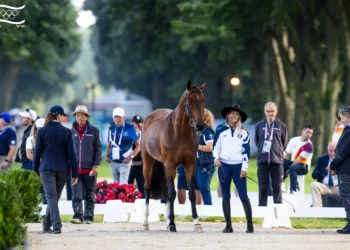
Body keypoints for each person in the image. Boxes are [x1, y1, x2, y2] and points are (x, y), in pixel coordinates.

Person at [33, 105, 78, 234]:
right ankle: (47, 226)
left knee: (52, 197)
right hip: (63, 169)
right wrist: (74, 173)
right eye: (63, 115)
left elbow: (37, 154)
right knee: (54, 197)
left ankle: (56, 225)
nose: (64, 118)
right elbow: (71, 155)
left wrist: (34, 170)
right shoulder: (67, 132)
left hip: (46, 169)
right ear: (58, 116)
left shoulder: (42, 131)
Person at [213, 104, 253, 233]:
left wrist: (244, 168)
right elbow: (215, 147)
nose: (234, 116)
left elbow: (246, 152)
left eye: (236, 114)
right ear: (227, 116)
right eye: (232, 113)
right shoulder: (220, 131)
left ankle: (250, 225)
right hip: (224, 166)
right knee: (225, 196)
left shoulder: (244, 133)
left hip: (238, 166)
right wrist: (216, 159)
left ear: (239, 117)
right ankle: (228, 225)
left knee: (243, 195)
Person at [70, 105, 102, 224]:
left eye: (82, 115)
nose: (79, 118)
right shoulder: (71, 132)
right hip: (75, 170)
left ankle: (88, 217)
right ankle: (78, 216)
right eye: (77, 115)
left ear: (86, 116)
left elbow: (98, 150)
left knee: (90, 194)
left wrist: (96, 165)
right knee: (76, 195)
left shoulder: (94, 131)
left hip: (90, 168)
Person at [255, 102, 288, 206]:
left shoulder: (281, 126)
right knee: (263, 187)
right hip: (263, 161)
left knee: (277, 187)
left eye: (272, 111)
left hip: (276, 161)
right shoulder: (259, 125)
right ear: (265, 112)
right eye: (268, 111)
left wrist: (276, 151)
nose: (270, 113)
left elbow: (284, 143)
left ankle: (278, 213)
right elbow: (257, 141)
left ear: (276, 112)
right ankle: (262, 212)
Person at [105, 107, 140, 184]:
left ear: (124, 117)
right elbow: (109, 144)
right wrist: (106, 156)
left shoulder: (130, 128)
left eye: (119, 117)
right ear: (113, 118)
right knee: (115, 187)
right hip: (113, 162)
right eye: (116, 117)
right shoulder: (111, 128)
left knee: (122, 186)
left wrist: (131, 157)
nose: (117, 119)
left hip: (125, 162)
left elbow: (138, 146)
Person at [330, 106, 350, 234]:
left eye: (343, 118)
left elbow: (342, 152)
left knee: (346, 196)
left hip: (346, 169)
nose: (341, 120)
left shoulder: (348, 131)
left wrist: (333, 165)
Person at [283, 125, 314, 194]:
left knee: (292, 168)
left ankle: (293, 190)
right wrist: (283, 167)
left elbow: (299, 160)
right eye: (307, 132)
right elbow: (287, 155)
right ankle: (281, 183)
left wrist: (288, 170)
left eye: (311, 133)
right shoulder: (293, 140)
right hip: (293, 163)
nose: (309, 134)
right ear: (302, 131)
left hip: (303, 166)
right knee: (283, 162)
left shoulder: (309, 145)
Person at [196, 108, 216, 205]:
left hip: (207, 163)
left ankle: (209, 209)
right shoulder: (200, 130)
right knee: (201, 187)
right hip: (201, 163)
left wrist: (196, 146)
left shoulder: (207, 131)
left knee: (204, 187)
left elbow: (210, 147)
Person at [311, 142, 339, 207]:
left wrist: (336, 172)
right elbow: (314, 175)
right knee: (314, 185)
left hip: (338, 187)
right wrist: (325, 170)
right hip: (325, 186)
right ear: (327, 150)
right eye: (330, 151)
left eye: (334, 151)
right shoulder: (321, 159)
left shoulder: (342, 160)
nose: (332, 153)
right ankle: (317, 212)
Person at [26, 118, 47, 204]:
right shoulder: (30, 139)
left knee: (46, 190)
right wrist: (39, 158)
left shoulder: (49, 138)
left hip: (46, 167)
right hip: (36, 166)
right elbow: (29, 154)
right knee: (37, 190)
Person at [128, 115, 145, 197]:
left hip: (141, 165)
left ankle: (144, 204)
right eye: (136, 123)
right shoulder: (129, 133)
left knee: (142, 187)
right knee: (128, 186)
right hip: (130, 164)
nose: (138, 125)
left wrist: (138, 134)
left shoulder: (145, 134)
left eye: (139, 123)